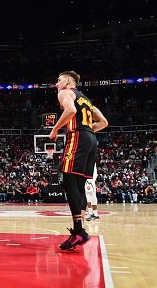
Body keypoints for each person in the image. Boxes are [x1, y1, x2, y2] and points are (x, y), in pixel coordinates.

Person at [49, 71, 108, 251]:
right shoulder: (87, 100)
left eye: (59, 80)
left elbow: (71, 110)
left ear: (68, 82)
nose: (56, 84)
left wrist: (55, 129)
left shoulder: (65, 93)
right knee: (79, 184)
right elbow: (104, 122)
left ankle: (78, 231)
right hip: (91, 140)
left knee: (68, 180)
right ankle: (79, 230)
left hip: (78, 137)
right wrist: (88, 131)